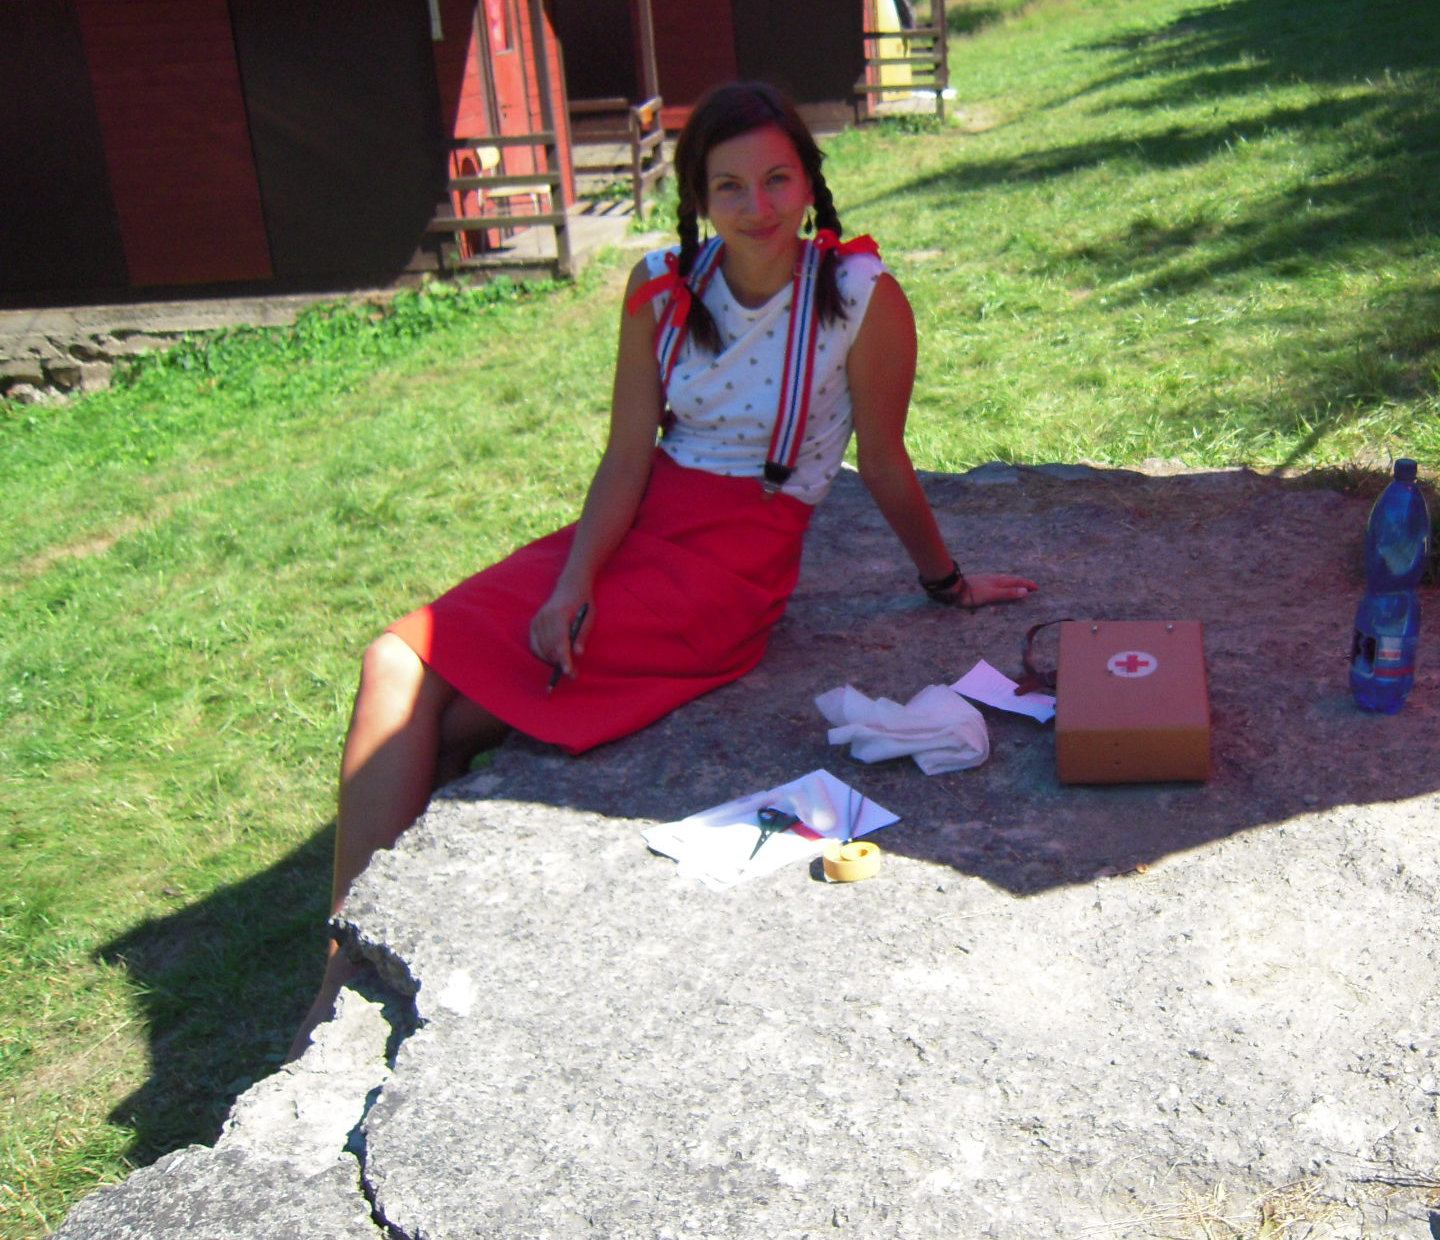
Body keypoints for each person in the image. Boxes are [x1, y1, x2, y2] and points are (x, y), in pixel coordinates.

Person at [292, 82, 1036, 1053]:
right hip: (638, 523)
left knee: (435, 706)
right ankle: (346, 959)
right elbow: (626, 455)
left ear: (809, 180)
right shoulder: (659, 286)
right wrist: (574, 579)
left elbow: (885, 461)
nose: (757, 206)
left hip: (733, 567)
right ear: (697, 197)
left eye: (777, 179)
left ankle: (345, 985)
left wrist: (945, 582)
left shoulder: (859, 295)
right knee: (399, 664)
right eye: (729, 186)